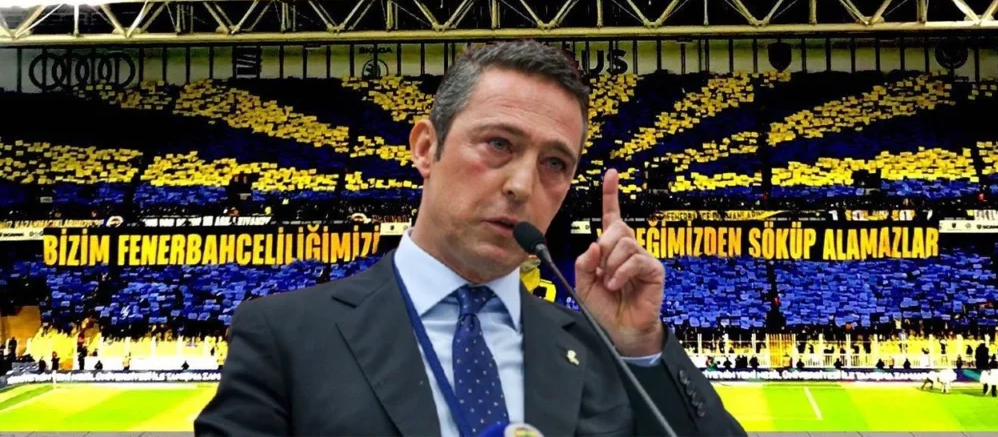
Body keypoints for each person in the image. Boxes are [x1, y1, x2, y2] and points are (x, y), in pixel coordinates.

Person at [194, 41, 745, 436]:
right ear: (425, 148)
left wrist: (640, 346)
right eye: (499, 144)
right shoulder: (285, 337)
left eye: (555, 163)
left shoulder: (597, 347)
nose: (522, 185)